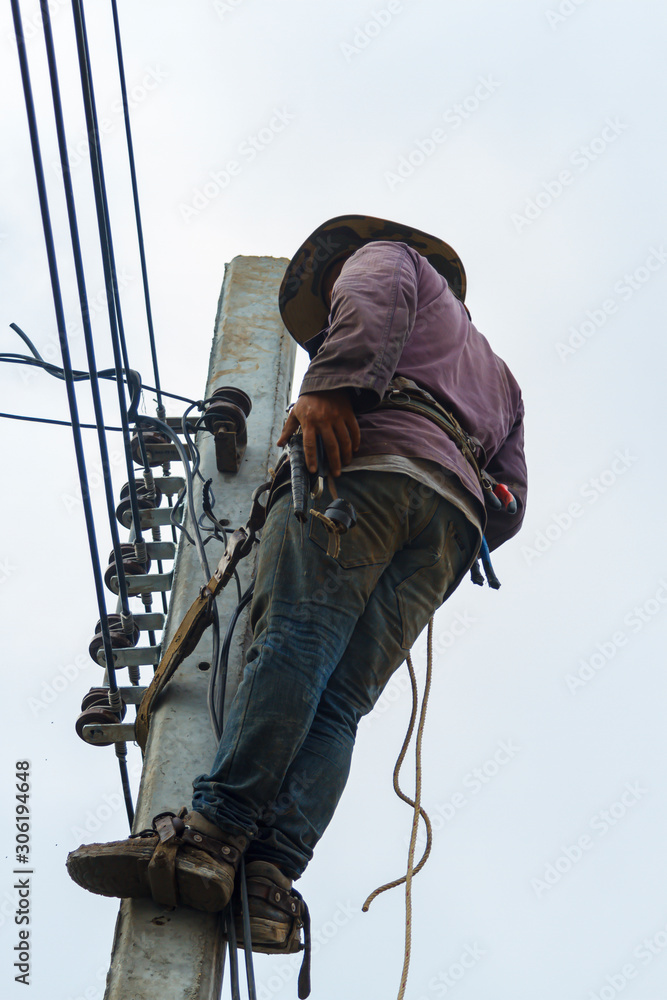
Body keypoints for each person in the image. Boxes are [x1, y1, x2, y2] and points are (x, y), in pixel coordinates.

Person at [68, 214, 527, 972]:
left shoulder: (385, 258)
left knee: (293, 646)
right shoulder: (502, 377)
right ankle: (271, 875)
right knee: (342, 698)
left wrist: (333, 388)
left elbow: (372, 302)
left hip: (364, 468)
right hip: (451, 526)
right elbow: (510, 503)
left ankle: (211, 839)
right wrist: (446, 521)